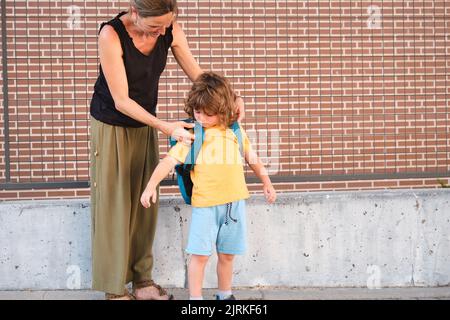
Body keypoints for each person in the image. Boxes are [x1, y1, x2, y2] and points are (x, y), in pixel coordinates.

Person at [89, 0, 245, 300]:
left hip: (146, 123)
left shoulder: (168, 28)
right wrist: (164, 126)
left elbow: (197, 72)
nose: (163, 32)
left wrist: (231, 97)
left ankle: (143, 281)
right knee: (116, 203)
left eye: (166, 25)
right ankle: (114, 289)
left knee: (146, 204)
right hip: (111, 124)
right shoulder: (111, 34)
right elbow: (121, 100)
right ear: (135, 13)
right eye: (156, 26)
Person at [140, 72, 277, 300]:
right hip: (206, 207)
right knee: (200, 256)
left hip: (234, 205)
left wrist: (266, 182)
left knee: (227, 255)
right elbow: (169, 161)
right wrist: (150, 186)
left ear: (222, 109)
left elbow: (252, 157)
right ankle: (196, 300)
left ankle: (225, 296)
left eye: (208, 112)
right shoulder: (193, 136)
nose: (201, 117)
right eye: (197, 111)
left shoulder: (234, 131)